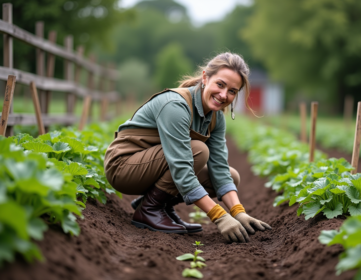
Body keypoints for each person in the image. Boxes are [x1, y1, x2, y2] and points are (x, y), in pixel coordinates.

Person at [104, 52, 271, 243]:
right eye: (220, 84)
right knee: (198, 151)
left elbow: (220, 168)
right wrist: (219, 216)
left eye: (232, 91)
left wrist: (238, 212)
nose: (224, 95)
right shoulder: (175, 105)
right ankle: (150, 209)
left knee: (232, 177)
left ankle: (158, 204)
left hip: (152, 165)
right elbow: (182, 168)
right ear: (205, 77)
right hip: (123, 167)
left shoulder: (216, 118)